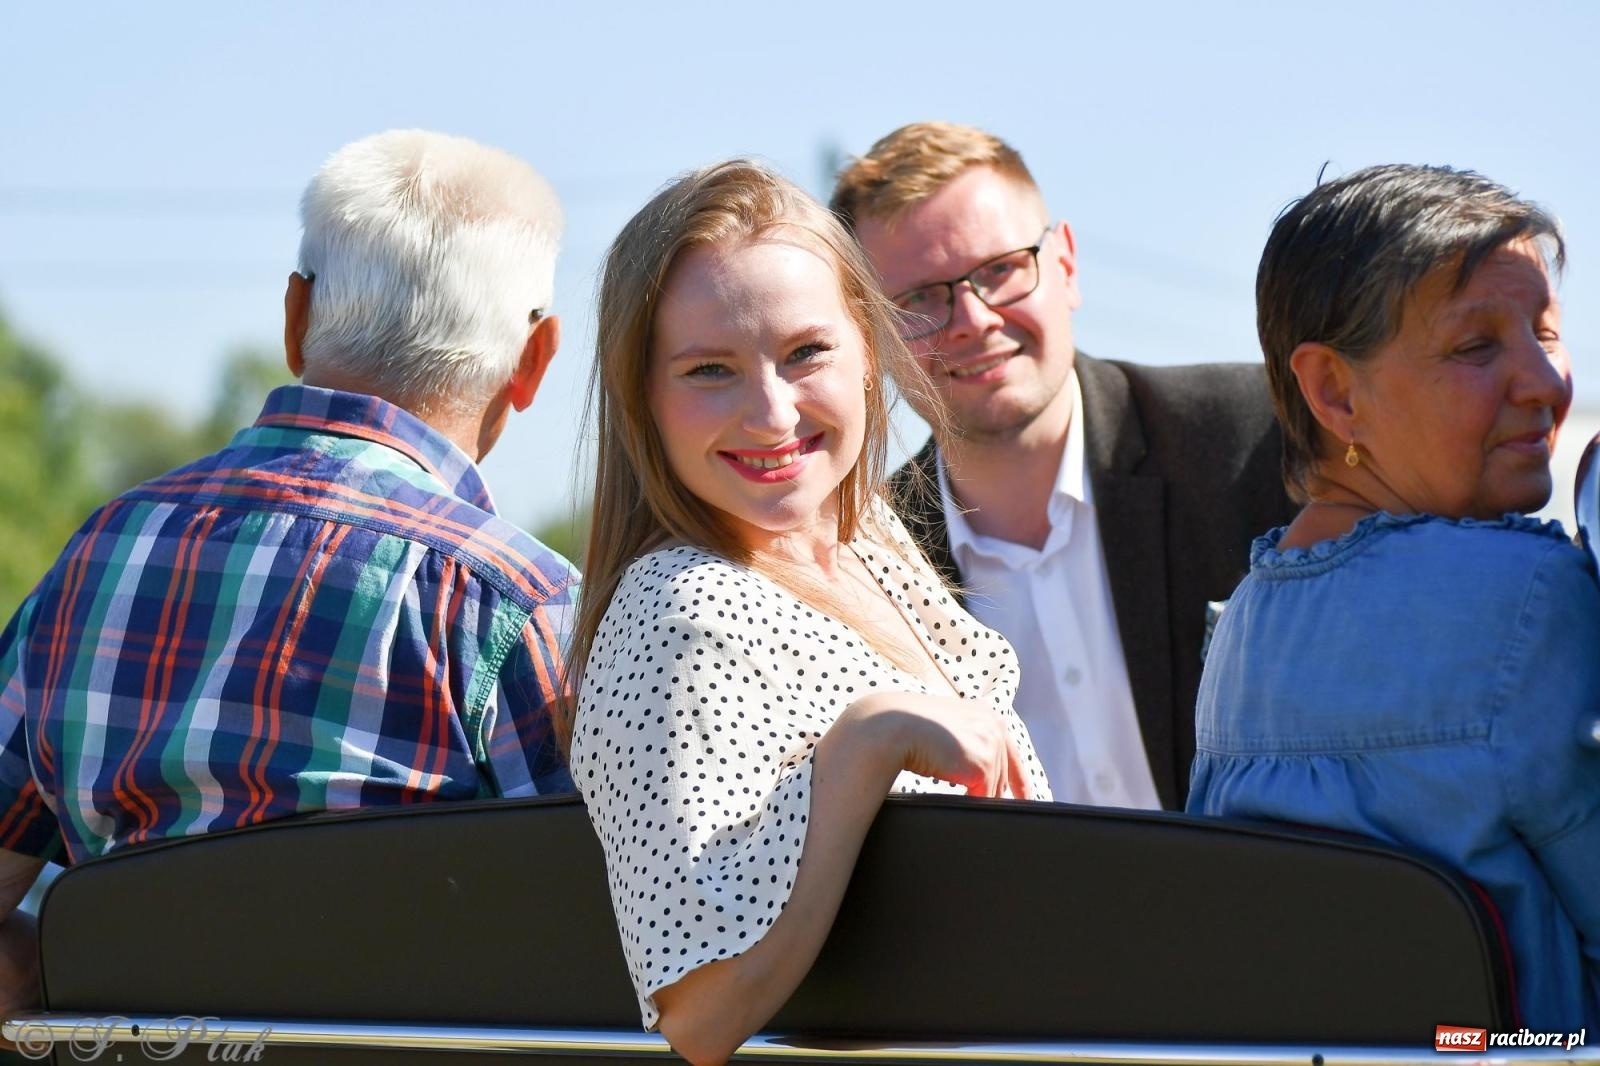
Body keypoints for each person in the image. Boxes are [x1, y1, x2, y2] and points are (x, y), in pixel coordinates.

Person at [0, 130, 579, 1009]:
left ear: (295, 316)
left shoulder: (93, 560)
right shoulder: (514, 603)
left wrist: (72, 974)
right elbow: (609, 938)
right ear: (535, 360)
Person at [568, 160, 1051, 1065]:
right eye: (710, 370)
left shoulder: (867, 540)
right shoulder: (680, 614)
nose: (770, 412)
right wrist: (862, 746)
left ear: (870, 350)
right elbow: (700, 1015)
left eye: (805, 353)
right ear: (644, 399)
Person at [1186, 163, 1600, 1027]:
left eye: (1546, 332)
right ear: (1335, 391)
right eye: (1476, 346)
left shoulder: (1241, 630)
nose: (1547, 384)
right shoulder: (1525, 595)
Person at [831, 122, 1296, 810]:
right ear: (869, 337)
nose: (971, 318)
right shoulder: (858, 568)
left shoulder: (1255, 434)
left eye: (999, 269)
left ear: (1067, 266)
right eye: (919, 298)